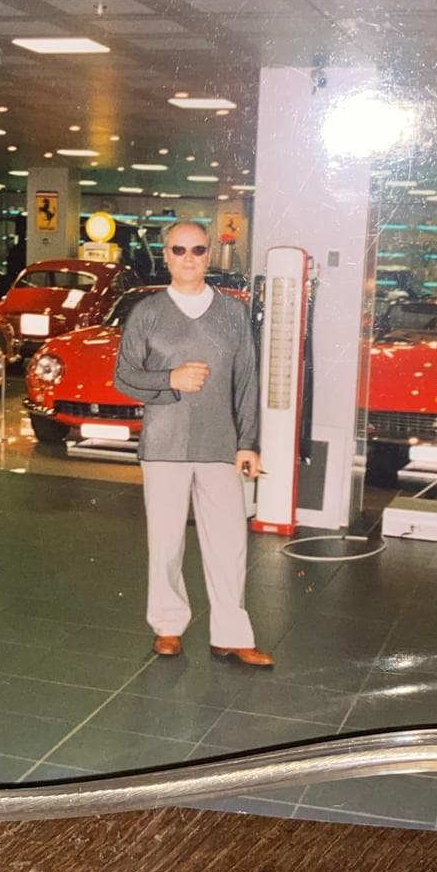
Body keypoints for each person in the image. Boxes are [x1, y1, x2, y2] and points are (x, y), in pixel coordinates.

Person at [113, 219, 271, 668]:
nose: (188, 258)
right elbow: (124, 376)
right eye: (179, 250)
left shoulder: (233, 313)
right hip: (164, 447)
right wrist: (171, 380)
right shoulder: (147, 312)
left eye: (197, 250)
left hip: (220, 445)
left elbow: (247, 382)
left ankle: (230, 635)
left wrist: (248, 442)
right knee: (165, 544)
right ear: (165, 256)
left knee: (229, 544)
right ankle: (167, 626)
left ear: (209, 255)